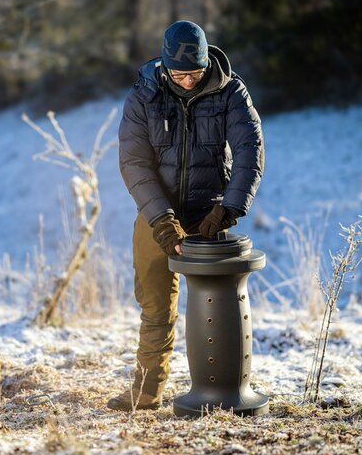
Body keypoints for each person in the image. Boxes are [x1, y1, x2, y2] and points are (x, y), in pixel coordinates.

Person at [107, 20, 264, 411]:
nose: (188, 81)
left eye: (194, 73)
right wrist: (161, 220)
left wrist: (229, 206)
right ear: (164, 66)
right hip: (156, 213)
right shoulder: (144, 95)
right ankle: (147, 391)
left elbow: (250, 148)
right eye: (179, 74)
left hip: (209, 214)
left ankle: (220, 393)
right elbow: (134, 161)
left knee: (215, 303)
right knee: (155, 304)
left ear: (206, 61)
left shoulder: (230, 91)